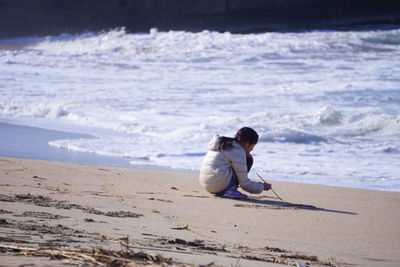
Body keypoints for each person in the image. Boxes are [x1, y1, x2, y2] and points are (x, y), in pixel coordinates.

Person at [199, 127, 272, 199]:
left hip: (207, 185)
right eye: (252, 146)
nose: (252, 149)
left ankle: (229, 189)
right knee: (249, 159)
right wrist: (262, 186)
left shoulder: (223, 144)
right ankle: (230, 190)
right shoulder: (237, 150)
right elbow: (245, 183)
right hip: (219, 186)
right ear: (247, 143)